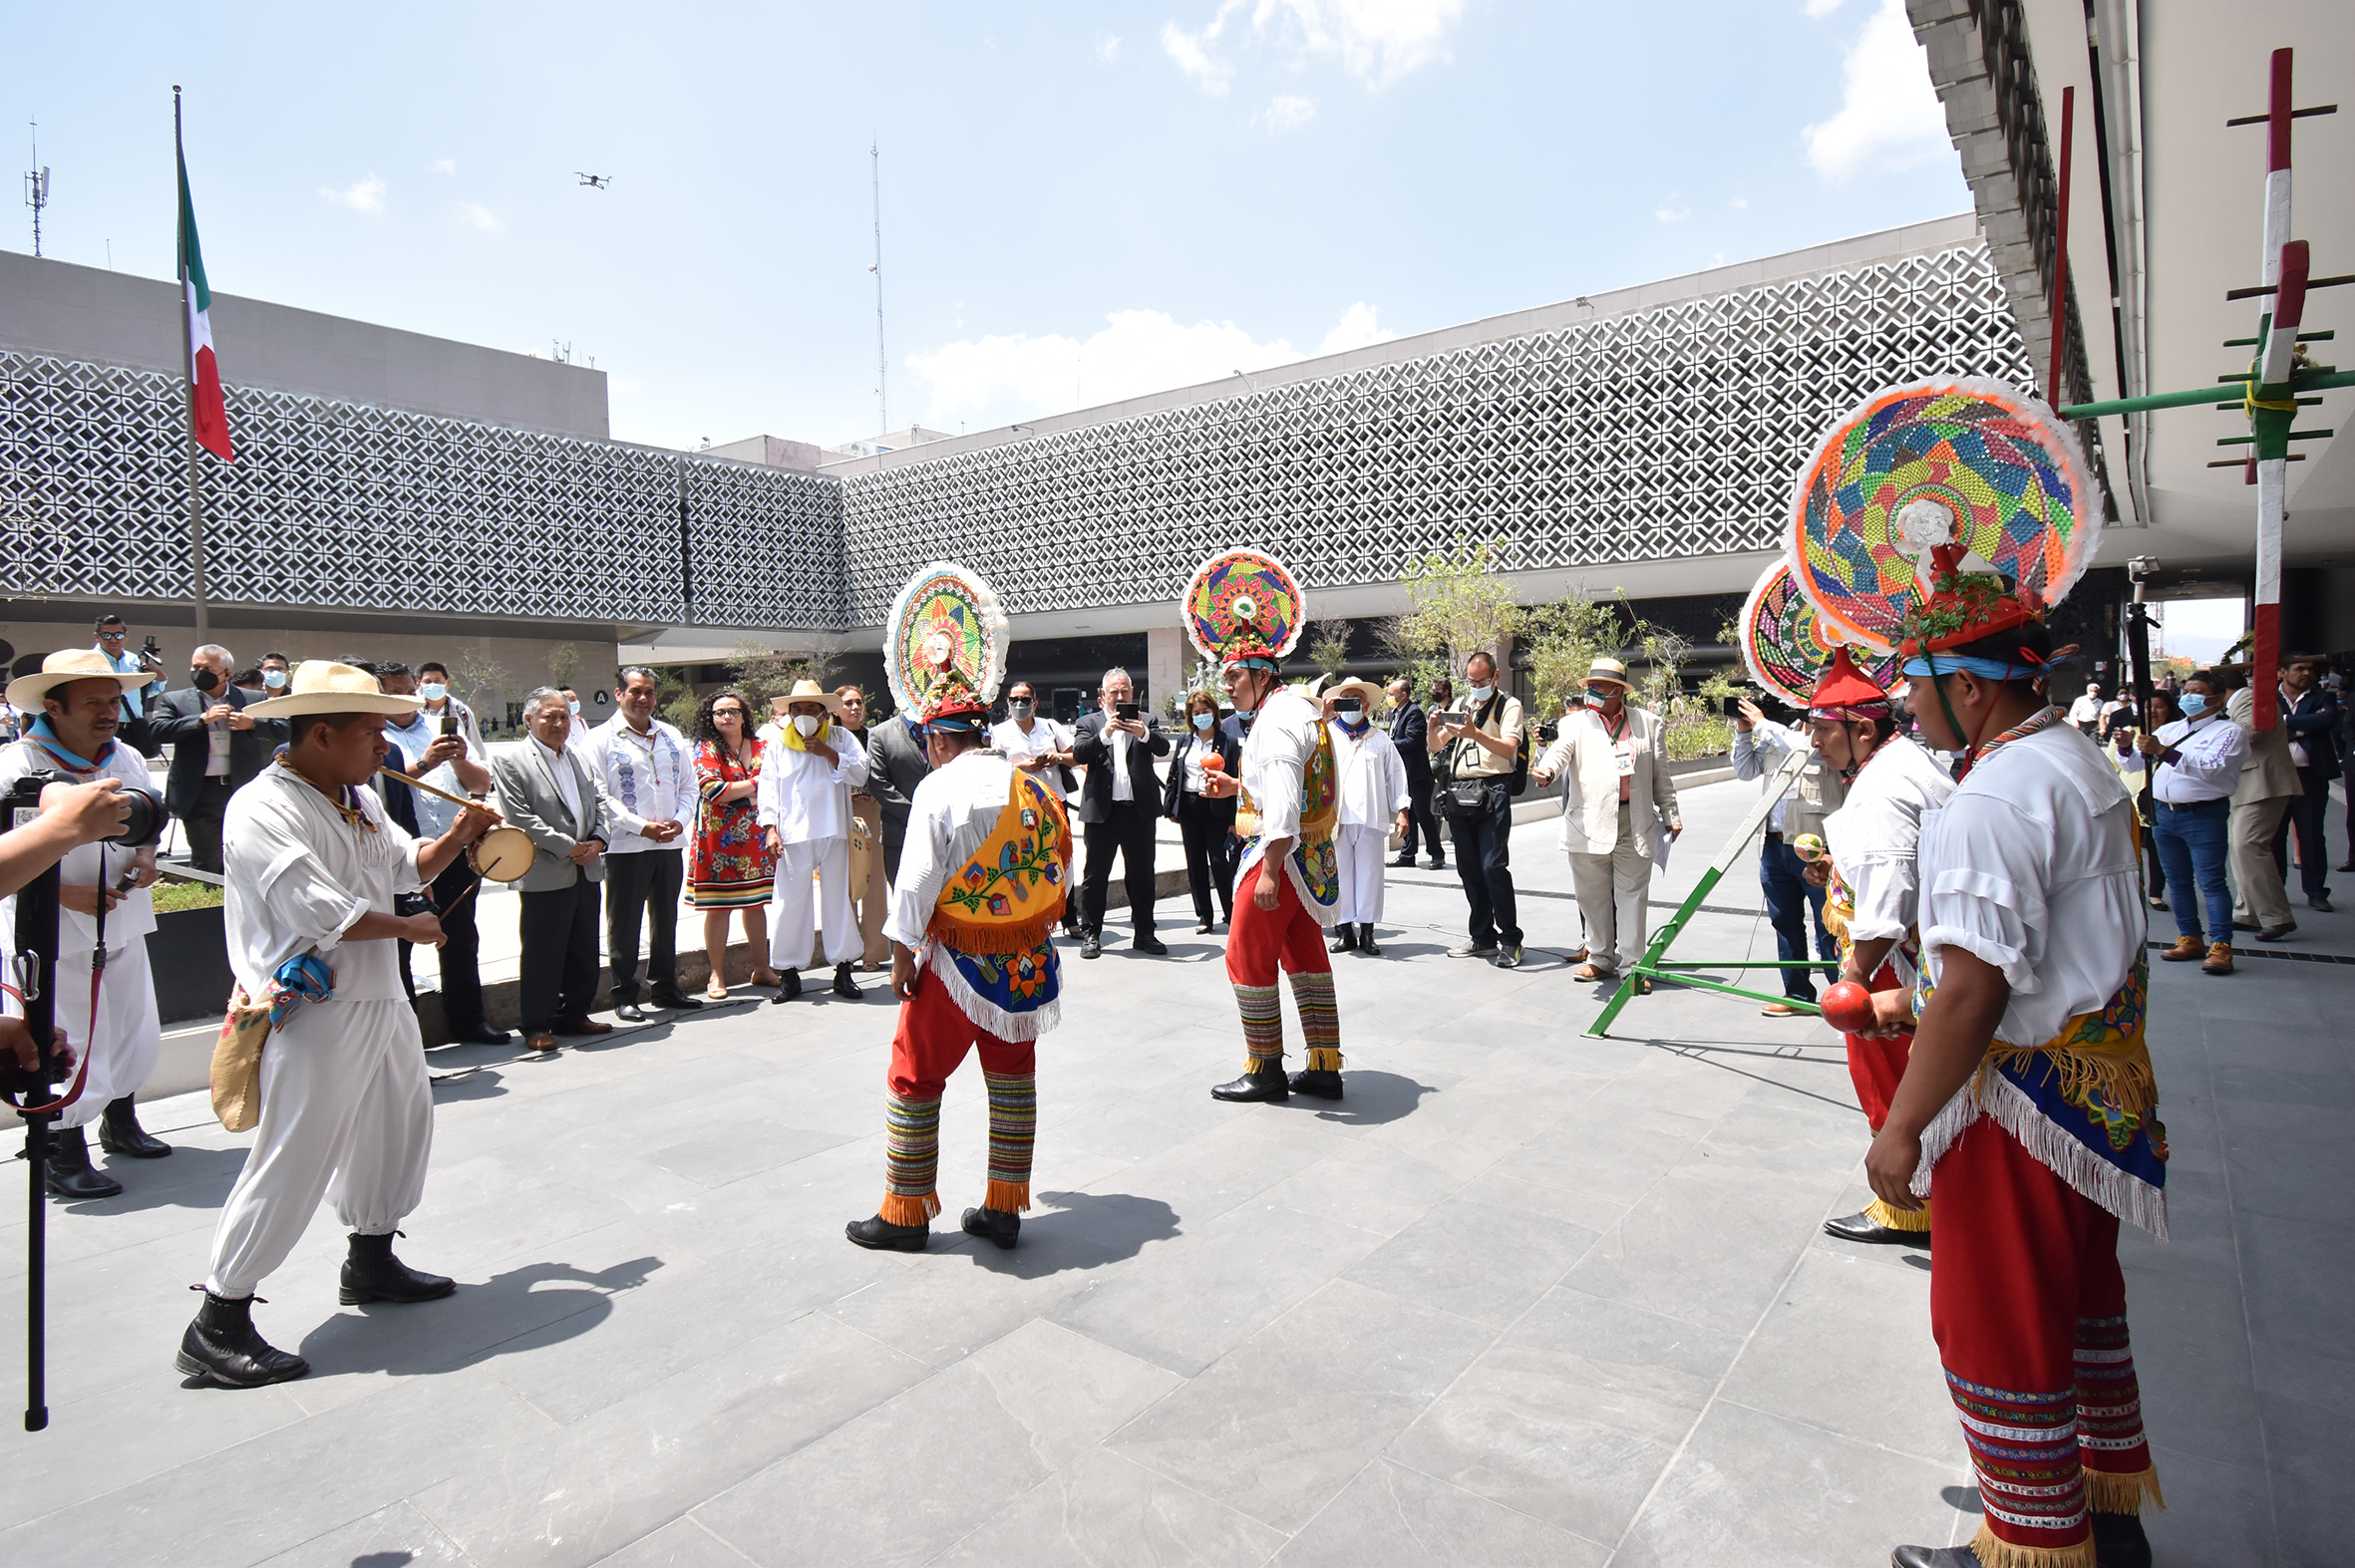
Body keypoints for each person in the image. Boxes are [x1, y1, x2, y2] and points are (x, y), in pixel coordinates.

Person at [1868, 567, 2164, 1568]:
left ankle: (2035, 1540)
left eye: (1917, 684)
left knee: (1993, 1316)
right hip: (2093, 1093)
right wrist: (1911, 1001)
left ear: (1971, 684)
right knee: (2076, 1302)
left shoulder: (1992, 794)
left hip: (2020, 1101)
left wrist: (1901, 1124)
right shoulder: (2072, 756)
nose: (1906, 705)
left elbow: (1974, 989)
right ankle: (2104, 1513)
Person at [177, 660, 502, 1389]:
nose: (386, 745)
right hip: (313, 1007)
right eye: (372, 732)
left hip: (380, 994)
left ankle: (372, 1258)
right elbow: (319, 910)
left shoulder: (359, 795)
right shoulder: (262, 806)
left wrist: (459, 833)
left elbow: (409, 866)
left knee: (398, 1125)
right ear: (321, 733)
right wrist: (410, 927)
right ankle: (218, 1317)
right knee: (296, 1153)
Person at [845, 562, 1069, 1253]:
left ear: (938, 739)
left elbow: (915, 881)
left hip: (956, 962)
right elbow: (1061, 867)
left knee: (914, 1073)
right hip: (1025, 961)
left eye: (927, 741)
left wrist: (901, 957)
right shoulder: (1033, 787)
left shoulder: (939, 789)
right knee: (1013, 1078)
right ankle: (1005, 1206)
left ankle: (906, 1212)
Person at [0, 650, 171, 1197]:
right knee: (67, 1034)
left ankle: (121, 1121)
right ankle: (61, 1147)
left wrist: (145, 857)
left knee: (129, 1024)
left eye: (113, 700)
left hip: (120, 915)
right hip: (50, 930)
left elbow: (149, 819)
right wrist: (62, 893)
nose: (108, 712)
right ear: (54, 707)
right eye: (93, 702)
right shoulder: (18, 766)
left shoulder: (126, 756)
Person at [1802, 648, 1955, 1247]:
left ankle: (1910, 1204)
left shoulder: (1882, 788)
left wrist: (1855, 976)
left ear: (1863, 729)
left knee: (1890, 1080)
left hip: (1892, 963)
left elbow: (1889, 895)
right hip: (1911, 950)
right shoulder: (1899, 763)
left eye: (1822, 728)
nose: (1814, 740)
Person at [1196, 595, 1345, 1104]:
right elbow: (1290, 789)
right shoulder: (1295, 710)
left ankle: (1265, 1070)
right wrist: (1238, 787)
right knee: (1306, 957)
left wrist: (1268, 870)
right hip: (1307, 859)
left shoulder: (1276, 720)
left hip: (1278, 856)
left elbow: (1282, 804)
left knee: (1245, 956)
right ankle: (1324, 1066)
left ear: (1262, 674)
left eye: (1234, 675)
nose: (1227, 685)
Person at [377, 664, 507, 1046]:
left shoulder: (442, 727)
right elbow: (382, 782)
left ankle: (470, 1021)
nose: (406, 698)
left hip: (454, 850)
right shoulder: (376, 736)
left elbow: (481, 782)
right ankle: (406, 1040)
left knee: (461, 937)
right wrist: (424, 764)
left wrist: (458, 759)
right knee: (399, 947)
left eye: (409, 690)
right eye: (395, 692)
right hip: (406, 857)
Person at [1532, 658, 1682, 983]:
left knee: (1632, 896)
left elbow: (1661, 774)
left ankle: (1633, 967)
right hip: (1588, 823)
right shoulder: (1574, 724)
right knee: (1592, 895)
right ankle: (1600, 957)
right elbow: (1560, 752)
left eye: (1597, 686)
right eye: (1589, 686)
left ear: (1617, 690)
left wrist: (1671, 813)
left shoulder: (1649, 723)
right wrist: (1547, 770)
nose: (1591, 691)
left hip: (1635, 820)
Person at [493, 687, 613, 1051]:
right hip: (546, 871)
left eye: (564, 716)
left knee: (584, 948)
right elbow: (520, 818)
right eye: (550, 716)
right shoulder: (511, 760)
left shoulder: (577, 757)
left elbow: (599, 802)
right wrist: (568, 846)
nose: (559, 723)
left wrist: (599, 840)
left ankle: (574, 1014)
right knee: (543, 952)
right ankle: (537, 1024)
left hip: (586, 867)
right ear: (529, 719)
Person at [583, 668, 702, 1021]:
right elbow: (599, 795)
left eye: (649, 692)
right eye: (635, 691)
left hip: (669, 843)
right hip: (626, 847)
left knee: (665, 919)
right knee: (625, 922)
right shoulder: (600, 739)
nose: (643, 699)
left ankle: (665, 986)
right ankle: (624, 993)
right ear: (619, 693)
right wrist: (641, 827)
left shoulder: (670, 735)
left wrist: (680, 820)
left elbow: (689, 785)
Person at [1730, 694, 1844, 1016]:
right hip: (1774, 844)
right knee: (1784, 921)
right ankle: (1797, 994)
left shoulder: (1825, 738)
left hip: (1816, 847)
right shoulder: (1782, 731)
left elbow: (1802, 748)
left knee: (1829, 925)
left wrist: (1761, 724)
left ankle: (1841, 996)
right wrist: (1744, 732)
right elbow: (1745, 770)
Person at [759, 679, 868, 1002]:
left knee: (839, 900)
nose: (804, 714)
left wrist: (828, 753)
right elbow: (768, 787)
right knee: (789, 903)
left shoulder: (840, 737)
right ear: (789, 712)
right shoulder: (778, 743)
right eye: (798, 709)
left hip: (834, 828)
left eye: (811, 708)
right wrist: (770, 828)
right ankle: (789, 973)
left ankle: (844, 970)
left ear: (823, 712)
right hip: (793, 833)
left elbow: (861, 773)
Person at [150, 643, 286, 872]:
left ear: (227, 674)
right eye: (195, 667)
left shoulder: (254, 698)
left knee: (247, 854)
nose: (199, 673)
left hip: (242, 787)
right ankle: (209, 894)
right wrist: (201, 719)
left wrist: (253, 723)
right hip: (199, 790)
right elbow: (158, 730)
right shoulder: (175, 700)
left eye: (208, 669)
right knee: (207, 859)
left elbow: (285, 728)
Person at [2141, 670, 2243, 973]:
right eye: (2186, 691)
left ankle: (2221, 945)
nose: (2188, 697)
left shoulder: (2229, 732)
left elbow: (2212, 767)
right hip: (2164, 814)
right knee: (2177, 881)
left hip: (2203, 815)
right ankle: (2190, 937)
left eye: (2197, 692)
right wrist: (2126, 747)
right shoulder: (2171, 729)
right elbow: (2137, 762)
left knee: (2211, 881)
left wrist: (2163, 752)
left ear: (2217, 698)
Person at [1429, 651, 1527, 966]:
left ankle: (1511, 938)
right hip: (1461, 791)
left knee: (1492, 866)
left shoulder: (1508, 705)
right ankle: (1482, 937)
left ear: (1495, 676)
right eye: (1471, 681)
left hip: (1493, 789)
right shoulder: (1462, 704)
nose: (1476, 687)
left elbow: (1509, 749)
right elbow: (1436, 744)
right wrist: (1432, 728)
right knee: (1469, 869)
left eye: (1481, 681)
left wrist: (1475, 734)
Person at [1070, 667, 1170, 959]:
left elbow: (1163, 748)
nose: (1119, 696)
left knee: (1142, 875)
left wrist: (1144, 734)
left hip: (1139, 812)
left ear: (1132, 693)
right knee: (1095, 876)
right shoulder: (1089, 723)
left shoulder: (1146, 720)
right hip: (1103, 813)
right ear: (1103, 696)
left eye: (1124, 691)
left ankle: (1145, 933)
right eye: (1114, 692)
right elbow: (1079, 753)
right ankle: (1091, 934)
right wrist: (1105, 734)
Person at [687, 689, 781, 999]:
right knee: (718, 907)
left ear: (744, 716)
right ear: (711, 718)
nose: (726, 716)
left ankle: (762, 969)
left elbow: (778, 784)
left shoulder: (763, 746)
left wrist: (740, 789)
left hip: (756, 836)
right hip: (717, 840)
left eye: (733, 711)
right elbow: (713, 789)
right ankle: (716, 974)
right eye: (719, 712)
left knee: (756, 905)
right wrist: (757, 784)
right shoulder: (706, 748)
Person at [1323, 678, 1410, 955]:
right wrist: (1323, 716)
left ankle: (1368, 933)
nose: (1352, 705)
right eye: (1346, 699)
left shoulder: (1380, 739)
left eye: (1356, 700)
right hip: (1337, 820)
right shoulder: (1326, 735)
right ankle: (1346, 931)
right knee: (1340, 876)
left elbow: (1396, 774)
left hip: (1371, 818)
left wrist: (1402, 810)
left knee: (1370, 876)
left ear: (1366, 705)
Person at [992, 680, 1080, 936]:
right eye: (1014, 699)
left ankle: (1069, 916)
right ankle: (1029, 918)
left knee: (1062, 858)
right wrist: (1022, 767)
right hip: (1019, 806)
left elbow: (1075, 756)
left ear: (1035, 703)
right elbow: (992, 768)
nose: (1019, 704)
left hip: (1053, 802)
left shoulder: (1050, 726)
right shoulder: (998, 732)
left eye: (1025, 699)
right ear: (1008, 702)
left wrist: (1057, 757)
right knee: (1024, 860)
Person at [2223, 673, 2299, 944]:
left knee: (2249, 844)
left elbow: (2248, 733)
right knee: (2238, 846)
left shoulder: (2248, 698)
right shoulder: (2237, 702)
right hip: (2245, 785)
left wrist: (2212, 730)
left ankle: (2276, 916)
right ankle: (2249, 912)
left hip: (2263, 781)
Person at [1162, 689, 1240, 932]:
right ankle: (1204, 915)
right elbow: (1174, 774)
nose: (1201, 716)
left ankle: (1232, 913)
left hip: (1217, 808)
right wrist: (1171, 806)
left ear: (1214, 712)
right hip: (1189, 807)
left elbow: (1236, 780)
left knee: (1219, 861)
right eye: (1196, 713)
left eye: (1205, 711)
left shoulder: (1228, 742)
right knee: (1195, 862)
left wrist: (1234, 820)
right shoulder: (1185, 741)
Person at [2272, 654, 2337, 913]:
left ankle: (2316, 892)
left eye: (2310, 669)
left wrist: (2284, 722)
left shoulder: (2323, 697)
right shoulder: (2269, 698)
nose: (2307, 673)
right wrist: (2307, 725)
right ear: (2283, 672)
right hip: (2275, 777)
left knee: (2312, 836)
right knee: (2274, 837)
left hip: (2310, 777)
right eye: (2300, 668)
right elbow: (2264, 727)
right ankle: (2275, 893)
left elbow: (2327, 721)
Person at [835, 685, 892, 971]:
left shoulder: (875, 737)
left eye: (858, 702)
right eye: (848, 703)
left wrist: (877, 795)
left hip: (870, 812)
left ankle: (873, 951)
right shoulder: (829, 738)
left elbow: (884, 773)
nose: (855, 707)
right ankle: (845, 952)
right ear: (836, 709)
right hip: (837, 811)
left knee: (872, 879)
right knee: (842, 881)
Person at [863, 694, 933, 886]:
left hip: (941, 834)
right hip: (900, 835)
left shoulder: (942, 730)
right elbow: (878, 783)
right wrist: (915, 814)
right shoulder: (880, 734)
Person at [1387, 677, 1443, 870]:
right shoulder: (1394, 713)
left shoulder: (1414, 713)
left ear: (1403, 695)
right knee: (1407, 814)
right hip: (1402, 774)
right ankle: (1407, 854)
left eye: (1392, 694)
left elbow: (1411, 741)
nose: (1389, 697)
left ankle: (1437, 853)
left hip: (1417, 775)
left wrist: (1388, 745)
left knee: (1422, 814)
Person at [92, 613, 166, 756]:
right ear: (97, 636)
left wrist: (160, 679)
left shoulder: (133, 659)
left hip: (133, 728)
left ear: (126, 636)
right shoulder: (89, 660)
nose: (113, 639)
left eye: (118, 635)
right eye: (106, 635)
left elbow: (141, 693)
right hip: (103, 727)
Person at [416, 661, 484, 753]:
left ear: (447, 683)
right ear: (419, 683)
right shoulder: (412, 711)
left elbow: (476, 747)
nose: (433, 685)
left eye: (437, 681)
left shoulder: (461, 711)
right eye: (427, 682)